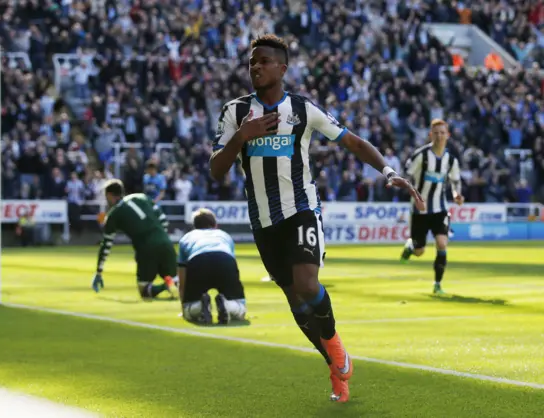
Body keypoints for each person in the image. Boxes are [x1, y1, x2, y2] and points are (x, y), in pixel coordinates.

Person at [208, 34, 425, 403]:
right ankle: (334, 367)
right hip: (262, 222)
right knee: (296, 303)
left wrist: (388, 171)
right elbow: (216, 170)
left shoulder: (303, 110)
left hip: (301, 210)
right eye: (251, 62)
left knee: (308, 286)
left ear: (282, 68)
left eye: (263, 61)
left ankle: (337, 347)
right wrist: (242, 136)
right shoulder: (235, 112)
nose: (255, 67)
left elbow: (352, 141)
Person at [400, 119, 463, 295]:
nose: (439, 136)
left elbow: (455, 180)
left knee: (442, 243)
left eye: (443, 133)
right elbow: (407, 176)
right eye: (436, 133)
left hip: (440, 208)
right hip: (420, 210)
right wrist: (415, 195)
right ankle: (411, 247)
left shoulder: (450, 160)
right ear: (430, 135)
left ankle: (437, 284)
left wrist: (457, 194)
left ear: (448, 135)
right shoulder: (421, 155)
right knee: (420, 251)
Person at [92, 179, 178, 300]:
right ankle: (172, 283)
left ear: (110, 195)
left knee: (144, 291)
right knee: (173, 278)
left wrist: (99, 272)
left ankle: (165, 286)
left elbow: (106, 245)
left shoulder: (113, 215)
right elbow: (164, 220)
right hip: (165, 242)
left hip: (146, 248)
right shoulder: (141, 197)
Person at [178, 208, 246, 325]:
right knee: (240, 308)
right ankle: (227, 305)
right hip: (224, 259)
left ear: (194, 226)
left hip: (198, 261)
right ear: (215, 224)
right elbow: (233, 265)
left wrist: (184, 304)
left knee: (189, 312)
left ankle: (200, 306)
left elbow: (182, 275)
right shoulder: (224, 235)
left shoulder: (186, 238)